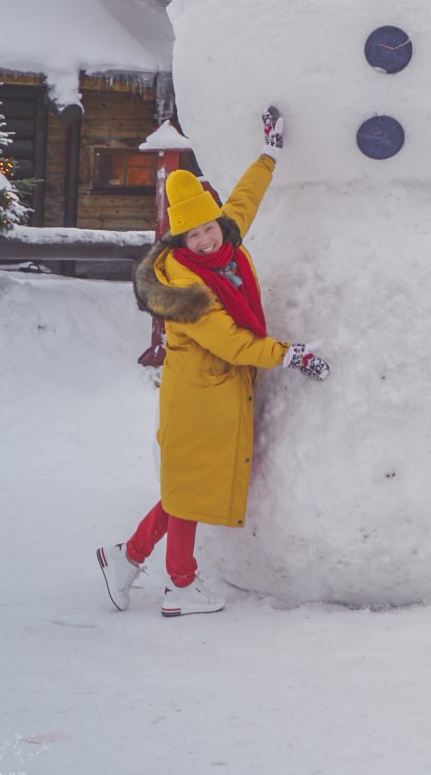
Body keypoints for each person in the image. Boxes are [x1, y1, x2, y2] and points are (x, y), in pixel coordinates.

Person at [97, 109, 329, 617]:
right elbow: (231, 343)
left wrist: (270, 154)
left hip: (218, 391)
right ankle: (180, 585)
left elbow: (243, 201)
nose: (205, 240)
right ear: (179, 243)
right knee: (190, 492)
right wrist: (288, 355)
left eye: (208, 228)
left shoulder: (224, 243)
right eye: (193, 237)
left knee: (187, 486)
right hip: (199, 394)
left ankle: (126, 557)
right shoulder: (186, 284)